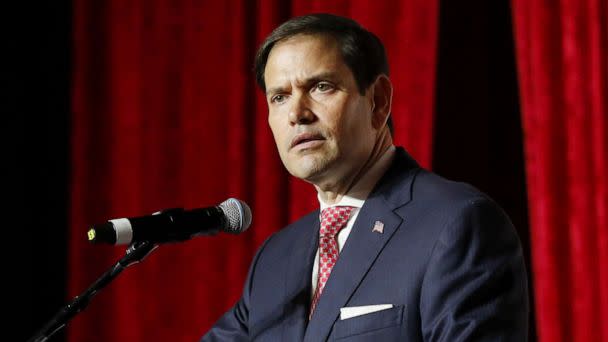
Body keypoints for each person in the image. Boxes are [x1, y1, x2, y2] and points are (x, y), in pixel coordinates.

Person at [202, 13, 528, 341]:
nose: (297, 113)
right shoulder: (275, 258)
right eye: (279, 97)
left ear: (378, 101)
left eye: (320, 86)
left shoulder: (457, 223)